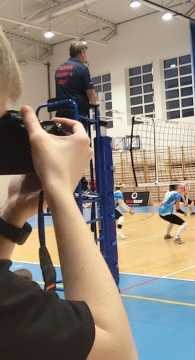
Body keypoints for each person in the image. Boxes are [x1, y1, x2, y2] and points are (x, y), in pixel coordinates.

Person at [0, 28, 137, 360]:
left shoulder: (61, 69)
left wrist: (13, 213)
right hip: (77, 115)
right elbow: (118, 352)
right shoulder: (83, 69)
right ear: (84, 54)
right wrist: (60, 188)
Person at [55, 41, 98, 119]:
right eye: (85, 53)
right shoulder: (81, 68)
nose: (85, 56)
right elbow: (91, 94)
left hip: (61, 113)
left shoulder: (59, 69)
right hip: (77, 113)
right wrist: (96, 102)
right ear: (81, 52)